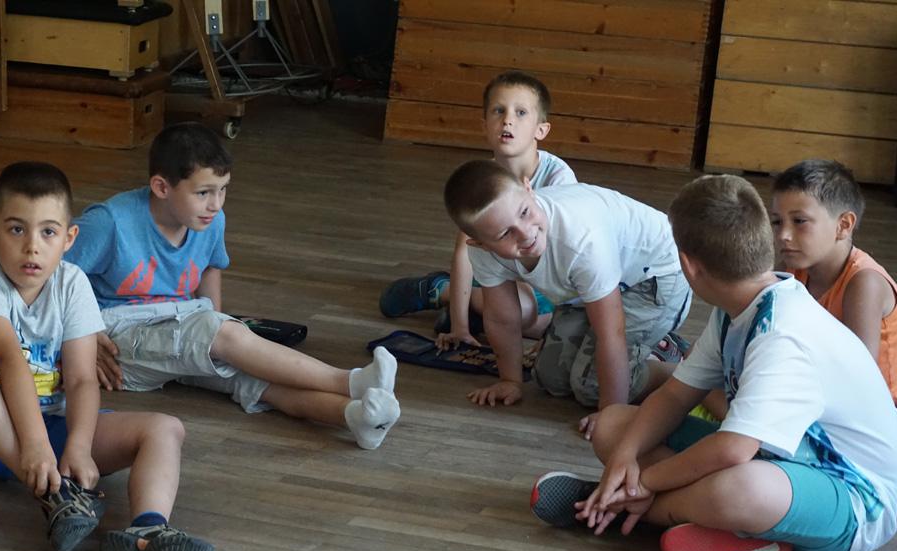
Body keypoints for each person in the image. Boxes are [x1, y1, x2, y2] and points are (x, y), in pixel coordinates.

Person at [530, 174, 897, 551]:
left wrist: (646, 482)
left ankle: (610, 503)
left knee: (739, 489)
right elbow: (675, 396)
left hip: (854, 500)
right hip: (773, 459)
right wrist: (624, 457)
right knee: (613, 426)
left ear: (688, 266)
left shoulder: (783, 333)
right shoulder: (740, 306)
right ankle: (736, 536)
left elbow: (732, 450)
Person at [0, 162, 214, 551]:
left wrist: (78, 447)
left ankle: (147, 533)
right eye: (16, 229)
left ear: (69, 238)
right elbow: (9, 360)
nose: (32, 247)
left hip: (52, 427)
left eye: (48, 232)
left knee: (165, 429)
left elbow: (82, 379)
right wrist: (35, 449)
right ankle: (56, 494)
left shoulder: (73, 282)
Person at [64, 122, 400, 450]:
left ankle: (356, 418)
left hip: (179, 321)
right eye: (204, 192)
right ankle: (350, 381)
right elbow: (54, 277)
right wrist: (83, 338)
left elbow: (210, 268)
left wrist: (217, 328)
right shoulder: (109, 222)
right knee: (225, 336)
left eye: (223, 189)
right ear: (162, 187)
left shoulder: (209, 220)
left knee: (253, 376)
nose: (216, 203)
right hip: (116, 336)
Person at [442, 159, 691, 437]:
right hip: (592, 288)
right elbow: (502, 319)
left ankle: (676, 369)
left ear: (529, 188)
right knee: (550, 377)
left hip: (657, 276)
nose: (525, 233)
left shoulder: (581, 239)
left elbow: (611, 331)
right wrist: (511, 380)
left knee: (591, 387)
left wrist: (611, 411)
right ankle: (642, 350)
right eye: (504, 233)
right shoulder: (482, 252)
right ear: (480, 244)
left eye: (524, 212)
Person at [379, 70, 576, 348]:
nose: (507, 120)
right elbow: (465, 251)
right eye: (498, 110)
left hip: (544, 282)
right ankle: (439, 291)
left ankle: (456, 298)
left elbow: (566, 259)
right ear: (484, 125)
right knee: (517, 314)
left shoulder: (559, 180)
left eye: (520, 113)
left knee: (536, 325)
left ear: (541, 130)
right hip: (498, 276)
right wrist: (459, 328)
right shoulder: (483, 181)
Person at [771, 159, 897, 449]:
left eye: (799, 221)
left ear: (843, 225)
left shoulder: (865, 283)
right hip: (822, 393)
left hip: (884, 419)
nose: (784, 234)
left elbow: (856, 377)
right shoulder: (794, 267)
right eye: (777, 221)